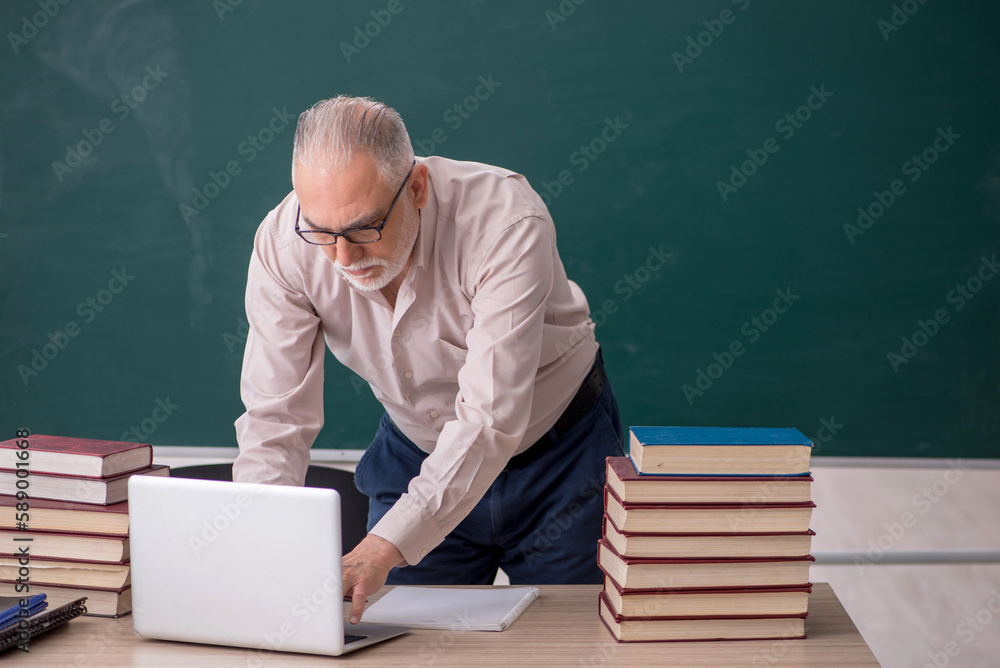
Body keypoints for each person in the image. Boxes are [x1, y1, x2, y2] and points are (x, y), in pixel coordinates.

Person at [232, 96, 623, 623]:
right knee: (395, 639)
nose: (343, 258)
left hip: (557, 456)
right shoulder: (284, 244)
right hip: (415, 445)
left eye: (365, 227)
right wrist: (261, 544)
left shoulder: (505, 221)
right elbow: (274, 419)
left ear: (416, 187)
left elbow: (488, 421)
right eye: (322, 232)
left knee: (576, 636)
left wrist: (383, 546)